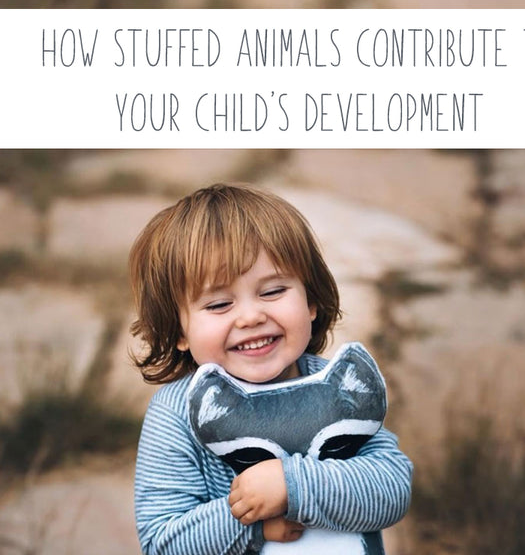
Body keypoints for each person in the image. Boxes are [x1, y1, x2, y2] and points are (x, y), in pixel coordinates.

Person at [130, 183, 413, 554]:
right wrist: (253, 520)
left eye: (272, 291)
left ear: (311, 300)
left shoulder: (336, 387)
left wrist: (291, 486)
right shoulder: (177, 413)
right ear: (179, 330)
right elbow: (162, 542)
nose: (251, 316)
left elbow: (392, 487)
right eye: (218, 305)